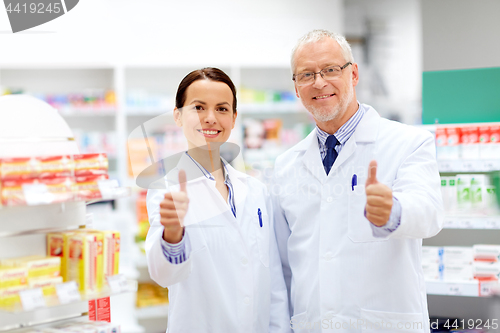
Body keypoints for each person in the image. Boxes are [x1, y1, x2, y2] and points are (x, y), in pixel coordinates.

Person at [272, 30, 444, 333]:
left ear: (353, 74)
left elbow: (429, 213)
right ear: (296, 88)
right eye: (306, 74)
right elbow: (286, 264)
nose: (319, 82)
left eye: (330, 70)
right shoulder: (286, 165)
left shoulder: (408, 142)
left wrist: (393, 211)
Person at [145, 67, 291, 333]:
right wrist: (173, 235)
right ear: (178, 115)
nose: (210, 118)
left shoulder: (256, 190)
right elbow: (163, 275)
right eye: (198, 107)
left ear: (234, 118)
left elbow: (273, 281)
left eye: (222, 109)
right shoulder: (165, 190)